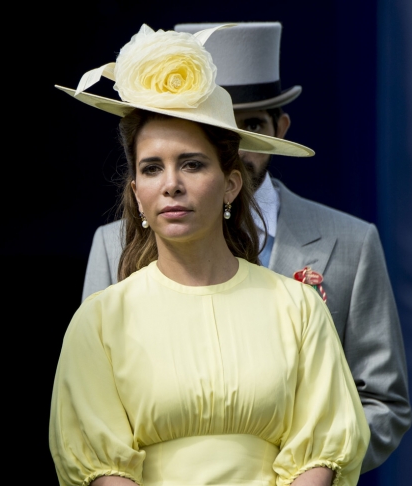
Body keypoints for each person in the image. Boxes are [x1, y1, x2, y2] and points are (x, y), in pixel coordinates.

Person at [81, 21, 410, 472]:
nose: (236, 144)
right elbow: (95, 408)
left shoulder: (351, 241)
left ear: (280, 128)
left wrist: (305, 467)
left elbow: (383, 400)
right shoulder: (110, 245)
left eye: (249, 125)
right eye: (219, 127)